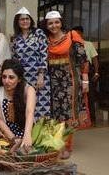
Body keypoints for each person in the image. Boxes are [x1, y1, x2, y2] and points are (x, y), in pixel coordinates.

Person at [43, 11, 91, 158]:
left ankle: (66, 147)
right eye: (50, 23)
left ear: (61, 22)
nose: (54, 26)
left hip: (70, 81)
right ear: (46, 25)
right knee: (53, 113)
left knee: (68, 113)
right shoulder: (45, 40)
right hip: (51, 83)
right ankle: (55, 144)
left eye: (56, 22)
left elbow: (83, 59)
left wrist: (85, 80)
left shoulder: (72, 35)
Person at [12, 7, 51, 121]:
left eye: (27, 19)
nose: (25, 21)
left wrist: (41, 75)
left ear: (31, 20)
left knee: (41, 107)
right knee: (27, 105)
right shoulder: (16, 38)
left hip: (38, 76)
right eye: (22, 19)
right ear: (17, 22)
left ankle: (41, 136)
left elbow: (44, 53)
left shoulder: (38, 33)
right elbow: (15, 59)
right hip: (23, 78)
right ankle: (28, 133)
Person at [0, 59, 36, 148]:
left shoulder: (29, 90)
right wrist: (13, 138)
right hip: (5, 135)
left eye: (11, 77)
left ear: (19, 79)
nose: (6, 81)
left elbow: (30, 112)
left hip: (27, 132)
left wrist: (27, 135)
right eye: (4, 77)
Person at [72, 26, 99, 125]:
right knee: (77, 96)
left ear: (82, 34)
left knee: (90, 95)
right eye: (74, 33)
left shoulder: (88, 44)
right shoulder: (71, 44)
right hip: (76, 71)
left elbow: (95, 58)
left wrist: (96, 72)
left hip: (89, 71)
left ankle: (92, 119)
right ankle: (79, 120)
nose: (76, 35)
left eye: (78, 33)